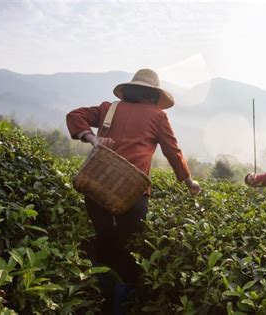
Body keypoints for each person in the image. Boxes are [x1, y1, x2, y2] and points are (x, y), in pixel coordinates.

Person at [66, 68, 200, 313]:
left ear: (130, 90)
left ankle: (100, 296)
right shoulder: (158, 116)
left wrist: (92, 138)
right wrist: (188, 180)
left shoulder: (110, 108)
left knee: (104, 239)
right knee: (129, 246)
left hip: (97, 185)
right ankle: (122, 303)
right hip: (133, 194)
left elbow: (75, 115)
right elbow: (173, 151)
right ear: (153, 95)